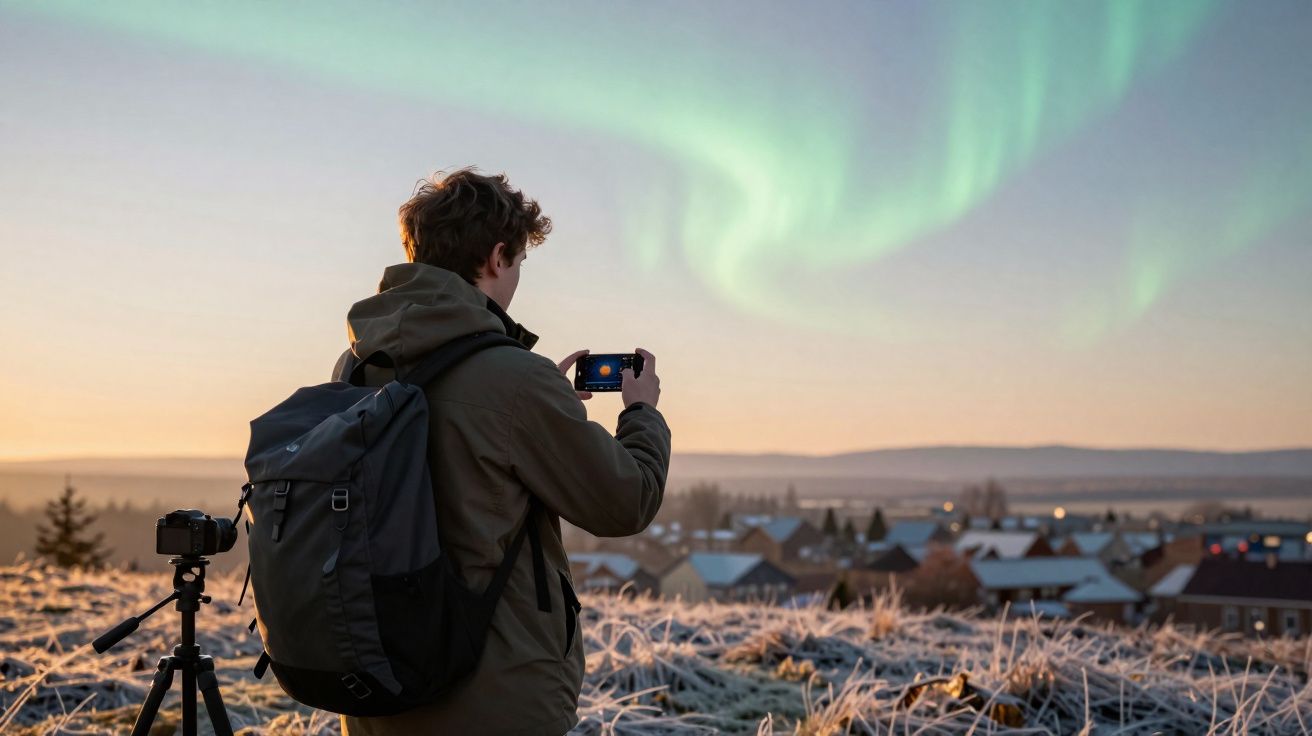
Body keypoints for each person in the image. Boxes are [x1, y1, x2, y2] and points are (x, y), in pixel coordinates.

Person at [331, 167, 671, 735]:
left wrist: (545, 407)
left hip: (378, 692)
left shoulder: (359, 364)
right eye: (517, 261)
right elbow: (626, 500)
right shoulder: (513, 378)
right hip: (494, 699)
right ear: (495, 257)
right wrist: (642, 413)